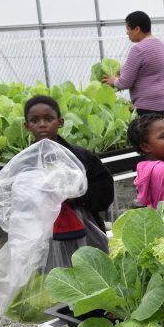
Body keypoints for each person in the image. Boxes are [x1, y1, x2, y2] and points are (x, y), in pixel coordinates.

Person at [23, 95, 114, 262]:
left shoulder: (80, 156)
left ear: (60, 122)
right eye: (35, 120)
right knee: (52, 275)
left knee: (89, 269)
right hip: (44, 231)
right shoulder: (24, 162)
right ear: (27, 125)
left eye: (48, 119)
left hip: (84, 227)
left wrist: (79, 196)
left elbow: (105, 188)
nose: (42, 124)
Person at [102, 11, 164, 116]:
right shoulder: (162, 46)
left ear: (137, 29)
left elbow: (125, 82)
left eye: (128, 29)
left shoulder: (138, 49)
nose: (127, 33)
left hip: (147, 107)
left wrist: (114, 80)